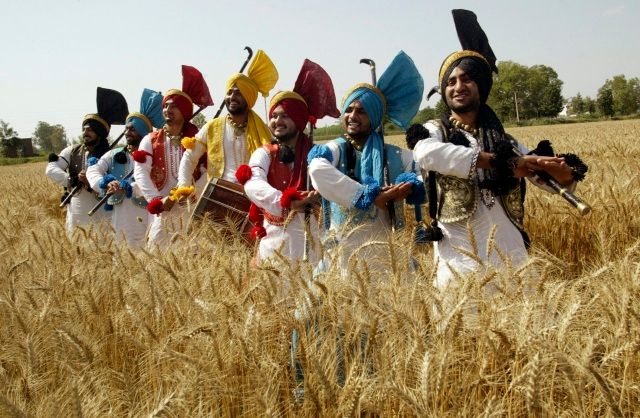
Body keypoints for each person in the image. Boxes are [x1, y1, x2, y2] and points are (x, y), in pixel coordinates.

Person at [410, 9, 588, 290]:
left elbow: (551, 184)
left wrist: (561, 172)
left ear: (481, 85)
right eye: (451, 81)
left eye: (467, 79)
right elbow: (426, 154)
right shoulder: (436, 132)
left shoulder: (508, 142)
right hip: (458, 269)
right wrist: (499, 163)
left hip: (512, 265)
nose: (458, 86)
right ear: (443, 90)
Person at [308, 51, 425, 276]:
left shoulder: (394, 155)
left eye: (361, 111)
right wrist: (367, 196)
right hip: (342, 255)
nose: (353, 116)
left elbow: (424, 172)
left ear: (374, 116)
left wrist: (408, 186)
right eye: (349, 110)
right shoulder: (335, 150)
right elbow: (317, 169)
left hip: (384, 255)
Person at [238, 59, 339, 265]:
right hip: (275, 244)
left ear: (299, 120)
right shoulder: (264, 153)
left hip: (312, 244)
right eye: (274, 116)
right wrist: (286, 201)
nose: (277, 121)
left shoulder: (318, 154)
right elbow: (252, 183)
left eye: (285, 115)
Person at [133, 66, 212, 248]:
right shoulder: (150, 139)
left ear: (185, 111)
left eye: (174, 105)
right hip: (163, 209)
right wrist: (156, 200)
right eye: (166, 105)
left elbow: (208, 170)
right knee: (157, 253)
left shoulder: (197, 138)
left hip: (191, 208)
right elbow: (141, 172)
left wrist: (193, 193)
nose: (168, 109)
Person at [178, 50, 278, 190]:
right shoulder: (212, 127)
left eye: (238, 93)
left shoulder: (262, 131)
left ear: (249, 97)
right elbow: (189, 157)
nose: (232, 97)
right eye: (229, 92)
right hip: (217, 197)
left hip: (253, 197)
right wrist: (183, 186)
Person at [86, 89, 164, 248]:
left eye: (132, 129)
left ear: (143, 132)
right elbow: (93, 170)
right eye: (126, 128)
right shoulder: (114, 154)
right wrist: (105, 183)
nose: (127, 132)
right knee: (121, 249)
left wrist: (132, 187)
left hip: (146, 212)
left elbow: (159, 182)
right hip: (120, 214)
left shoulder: (155, 156)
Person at [46, 87, 128, 233]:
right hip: (76, 210)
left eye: (90, 129)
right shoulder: (72, 151)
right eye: (84, 129)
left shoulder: (112, 155)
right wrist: (71, 179)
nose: (85, 133)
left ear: (100, 132)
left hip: (103, 210)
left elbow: (119, 180)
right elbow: (51, 169)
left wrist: (92, 182)